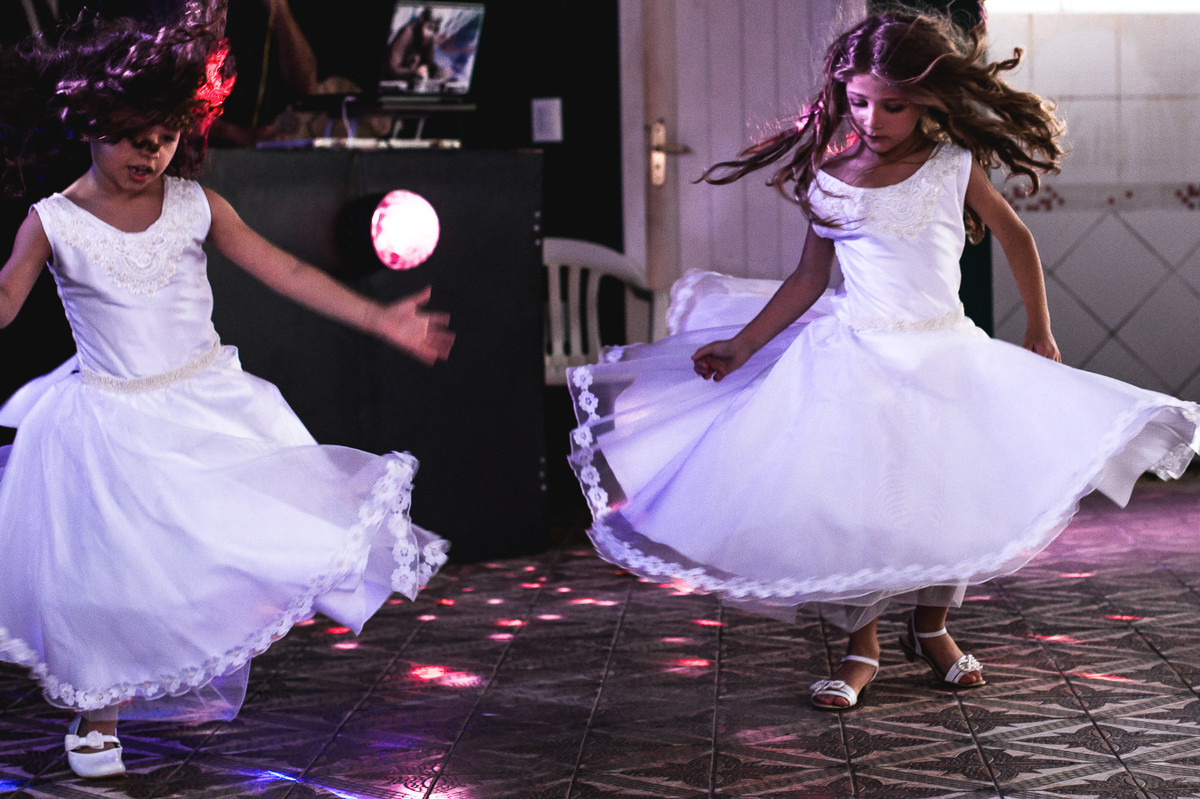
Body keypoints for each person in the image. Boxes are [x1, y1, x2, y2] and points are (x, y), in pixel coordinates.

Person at [565, 9, 1200, 712]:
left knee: (946, 494)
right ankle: (861, 644)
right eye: (860, 100)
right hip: (854, 358)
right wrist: (743, 345)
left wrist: (1040, 331)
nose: (873, 117)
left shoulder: (952, 166)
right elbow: (808, 280)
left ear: (928, 98)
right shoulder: (830, 176)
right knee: (856, 501)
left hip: (943, 354)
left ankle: (932, 628)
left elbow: (1016, 238)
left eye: (893, 104)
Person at [0, 1, 454, 778]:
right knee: (106, 568)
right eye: (135, 138)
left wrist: (382, 319)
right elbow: (6, 298)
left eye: (168, 137)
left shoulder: (194, 204)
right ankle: (98, 715)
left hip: (202, 402)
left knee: (216, 547)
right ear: (93, 117)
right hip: (108, 418)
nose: (152, 154)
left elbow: (287, 270)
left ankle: (185, 649)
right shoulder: (55, 220)